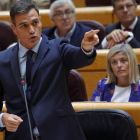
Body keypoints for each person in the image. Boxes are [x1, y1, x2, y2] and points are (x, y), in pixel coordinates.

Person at [0, 1, 99, 140]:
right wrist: (2, 117)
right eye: (24, 25)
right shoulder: (2, 60)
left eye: (35, 23)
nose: (32, 30)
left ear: (40, 21)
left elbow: (79, 57)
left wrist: (86, 48)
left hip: (61, 134)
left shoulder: (58, 47)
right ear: (14, 28)